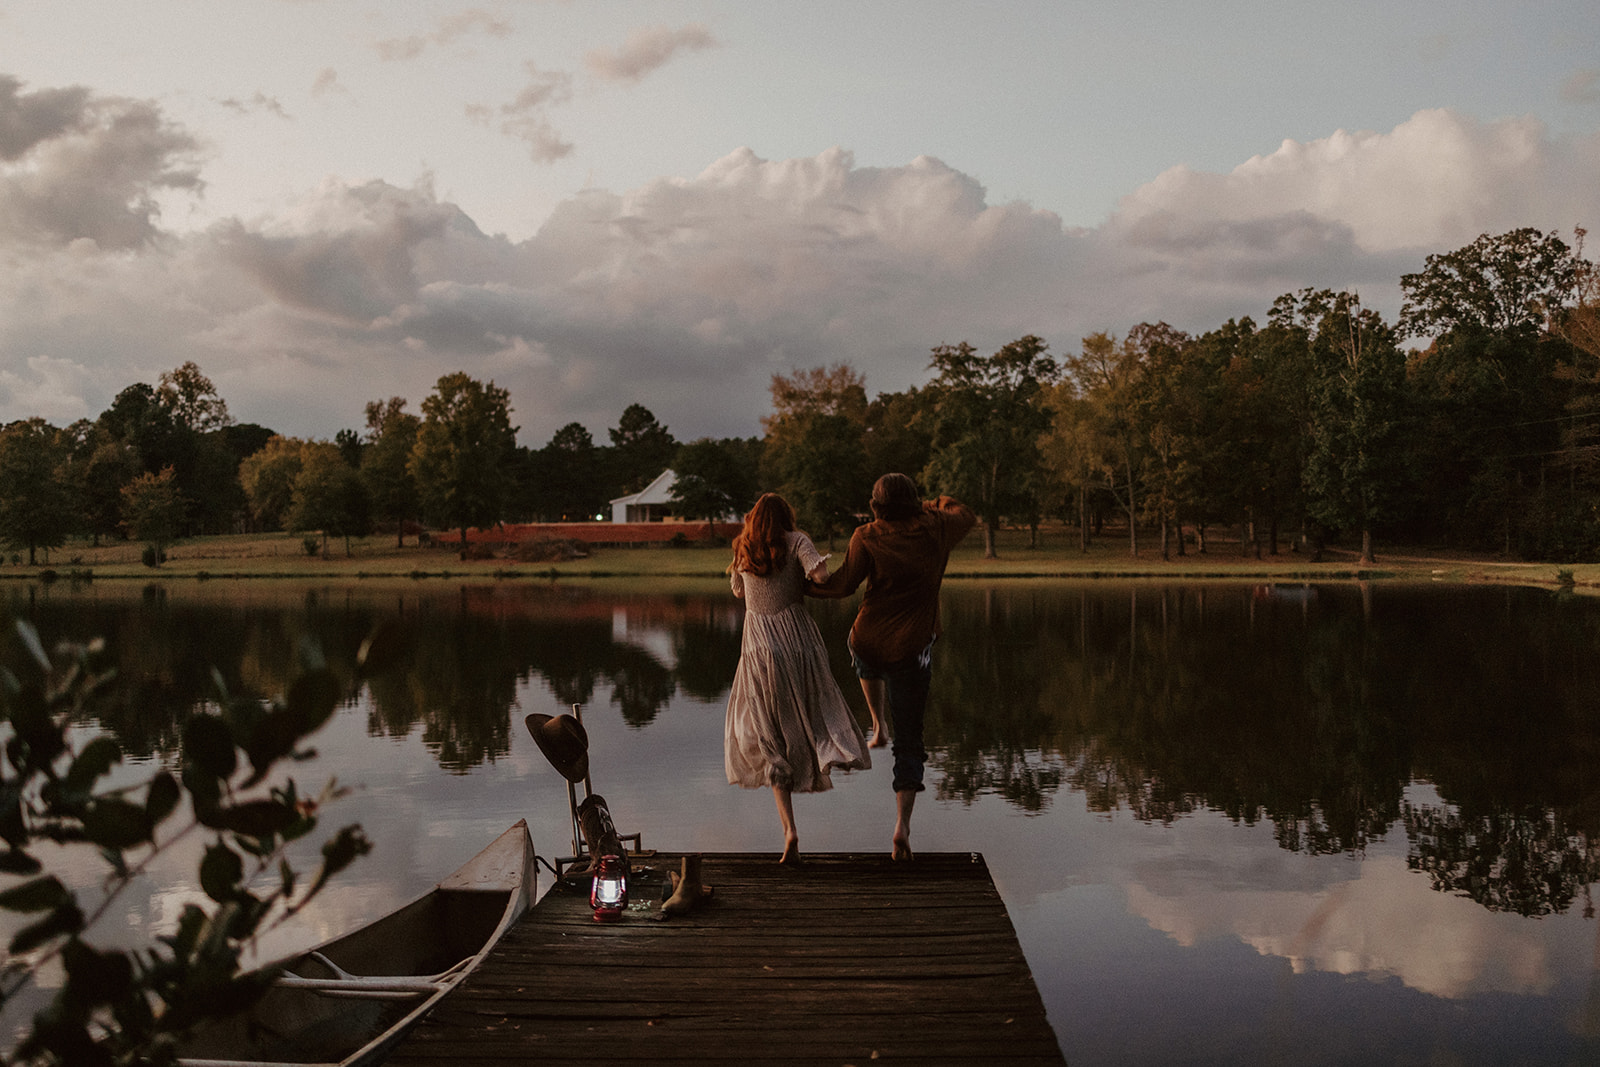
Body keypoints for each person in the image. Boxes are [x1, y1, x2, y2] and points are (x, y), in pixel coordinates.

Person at [810, 474, 975, 860]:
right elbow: (963, 512)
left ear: (876, 505)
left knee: (859, 649)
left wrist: (799, 587)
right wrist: (933, 504)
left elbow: (841, 587)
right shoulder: (936, 527)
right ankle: (901, 826)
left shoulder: (866, 535)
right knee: (911, 740)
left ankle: (876, 724)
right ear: (914, 501)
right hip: (911, 647)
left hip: (868, 638)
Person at [724, 492, 871, 864]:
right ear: (786, 516)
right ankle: (831, 752)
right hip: (796, 641)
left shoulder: (743, 546)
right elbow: (820, 574)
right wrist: (802, 582)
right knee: (816, 710)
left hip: (758, 648)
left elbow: (739, 589)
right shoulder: (797, 541)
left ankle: (789, 829)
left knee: (770, 734)